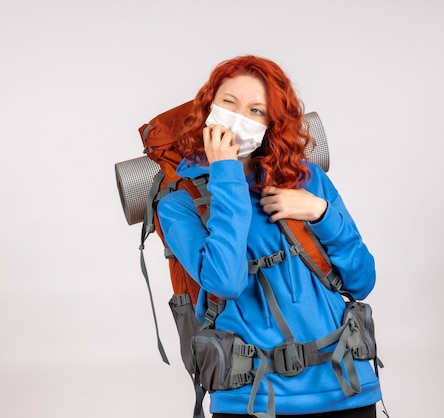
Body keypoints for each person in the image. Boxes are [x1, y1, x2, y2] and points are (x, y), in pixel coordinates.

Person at [156, 55, 383, 417]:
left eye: (256, 110)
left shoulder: (307, 179)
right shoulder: (179, 205)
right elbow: (225, 282)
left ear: (272, 122)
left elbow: (362, 281)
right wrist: (226, 174)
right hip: (252, 400)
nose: (239, 117)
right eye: (228, 103)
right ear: (208, 107)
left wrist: (319, 213)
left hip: (346, 390)